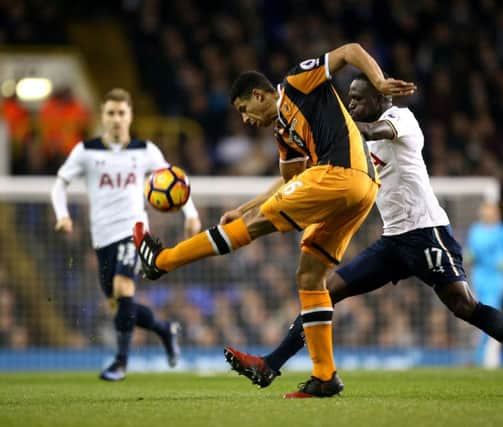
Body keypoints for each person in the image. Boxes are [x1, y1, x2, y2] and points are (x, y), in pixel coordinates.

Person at [222, 74, 503, 397]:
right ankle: (271, 366)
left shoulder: (401, 119)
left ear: (380, 97)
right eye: (350, 101)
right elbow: (298, 176)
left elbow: (378, 133)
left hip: (426, 231)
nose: (353, 105)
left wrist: (339, 126)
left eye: (359, 99)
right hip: (393, 240)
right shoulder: (351, 144)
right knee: (324, 291)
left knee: (464, 306)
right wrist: (246, 209)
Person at [134, 43, 417, 398]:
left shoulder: (299, 81)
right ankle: (325, 375)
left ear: (258, 95)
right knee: (310, 275)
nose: (244, 119)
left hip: (340, 174)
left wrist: (379, 79)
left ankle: (162, 261)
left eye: (243, 109)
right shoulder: (284, 132)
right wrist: (246, 206)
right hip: (360, 190)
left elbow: (350, 51)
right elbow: (290, 181)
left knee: (252, 230)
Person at [51, 88, 202, 381]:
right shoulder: (86, 151)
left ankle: (120, 362)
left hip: (134, 230)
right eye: (111, 113)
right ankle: (164, 329)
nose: (117, 119)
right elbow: (60, 184)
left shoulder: (145, 151)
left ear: (130, 115)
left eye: (122, 113)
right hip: (102, 236)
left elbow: (174, 181)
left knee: (123, 288)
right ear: (102, 116)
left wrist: (191, 213)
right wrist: (62, 215)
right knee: (119, 303)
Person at [466, 201, 503, 368]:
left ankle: (479, 356)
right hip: (479, 278)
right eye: (483, 210)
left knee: (489, 316)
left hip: (496, 279)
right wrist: (469, 255)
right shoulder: (475, 230)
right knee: (479, 316)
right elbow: (470, 251)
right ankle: (481, 355)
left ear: (496, 213)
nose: (485, 213)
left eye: (488, 210)